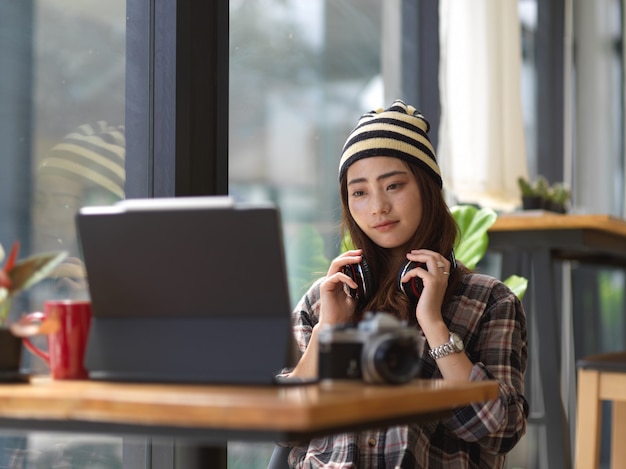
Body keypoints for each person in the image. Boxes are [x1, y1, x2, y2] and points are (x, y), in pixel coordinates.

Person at [284, 100, 528, 468]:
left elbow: (501, 429)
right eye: (359, 192)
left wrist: (434, 325)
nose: (377, 206)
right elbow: (284, 423)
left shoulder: (490, 300)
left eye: (393, 185)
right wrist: (327, 330)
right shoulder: (325, 298)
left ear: (427, 188)